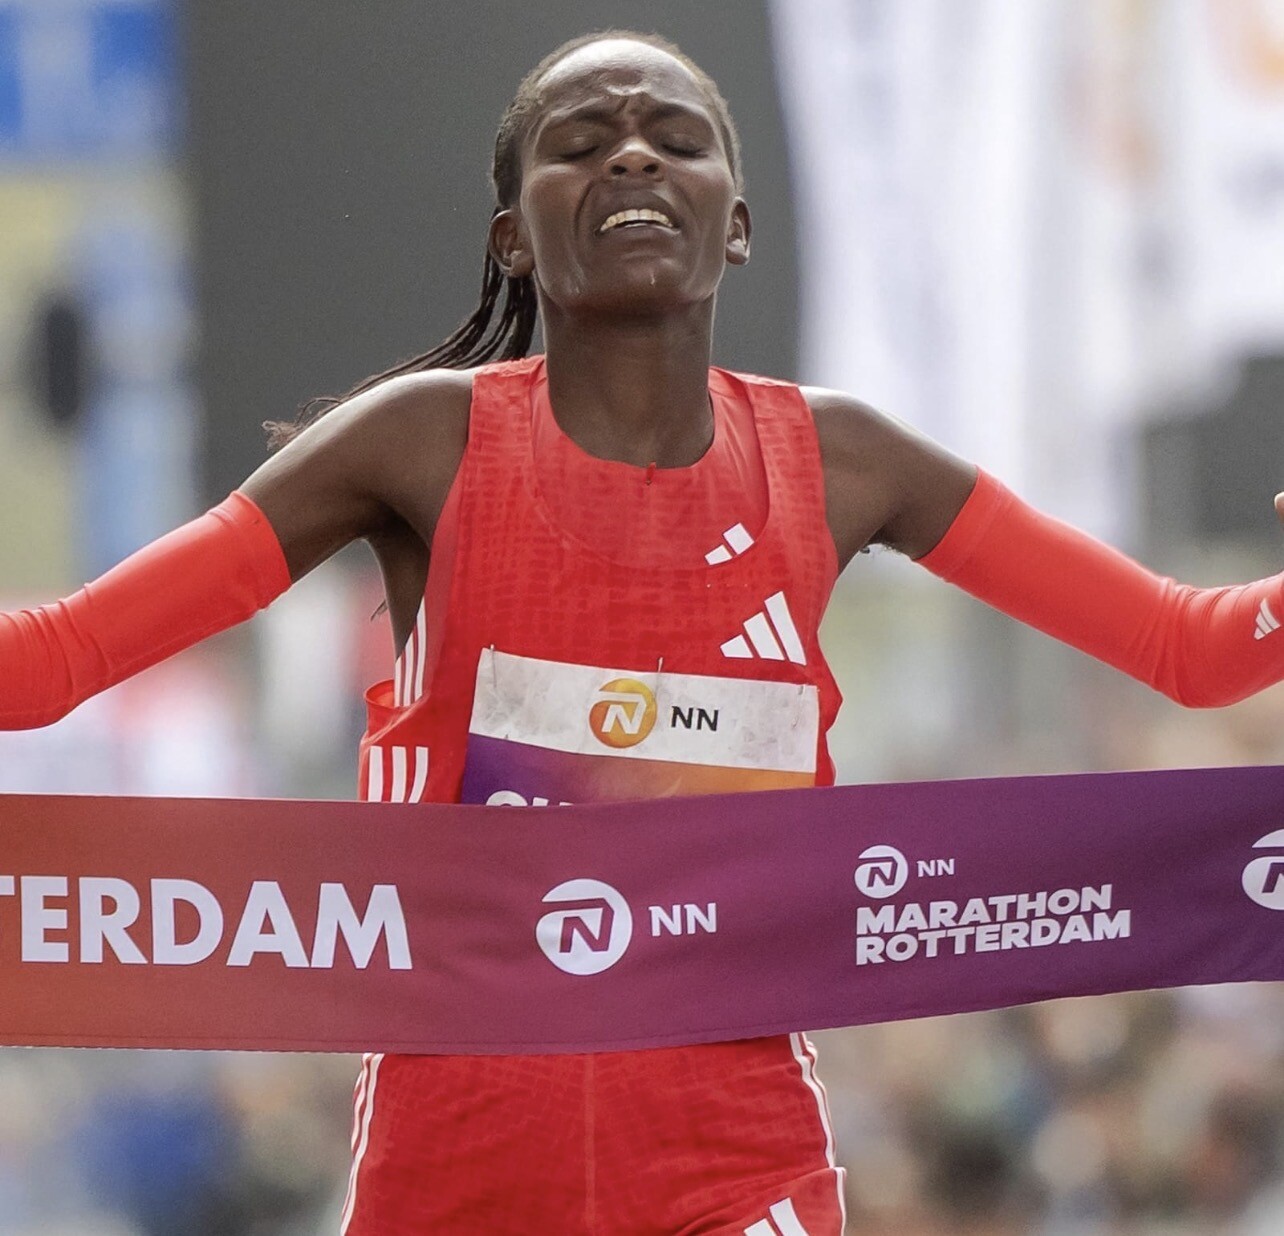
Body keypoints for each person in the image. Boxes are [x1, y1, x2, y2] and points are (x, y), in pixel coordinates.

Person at [4, 28, 1284, 1236]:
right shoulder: (419, 444)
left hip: (739, 1168)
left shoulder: (842, 462)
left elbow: (1197, 649)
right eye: (581, 142)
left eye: (675, 138)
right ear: (513, 237)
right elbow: (51, 663)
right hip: (453, 1169)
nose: (630, 156)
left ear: (738, 222)